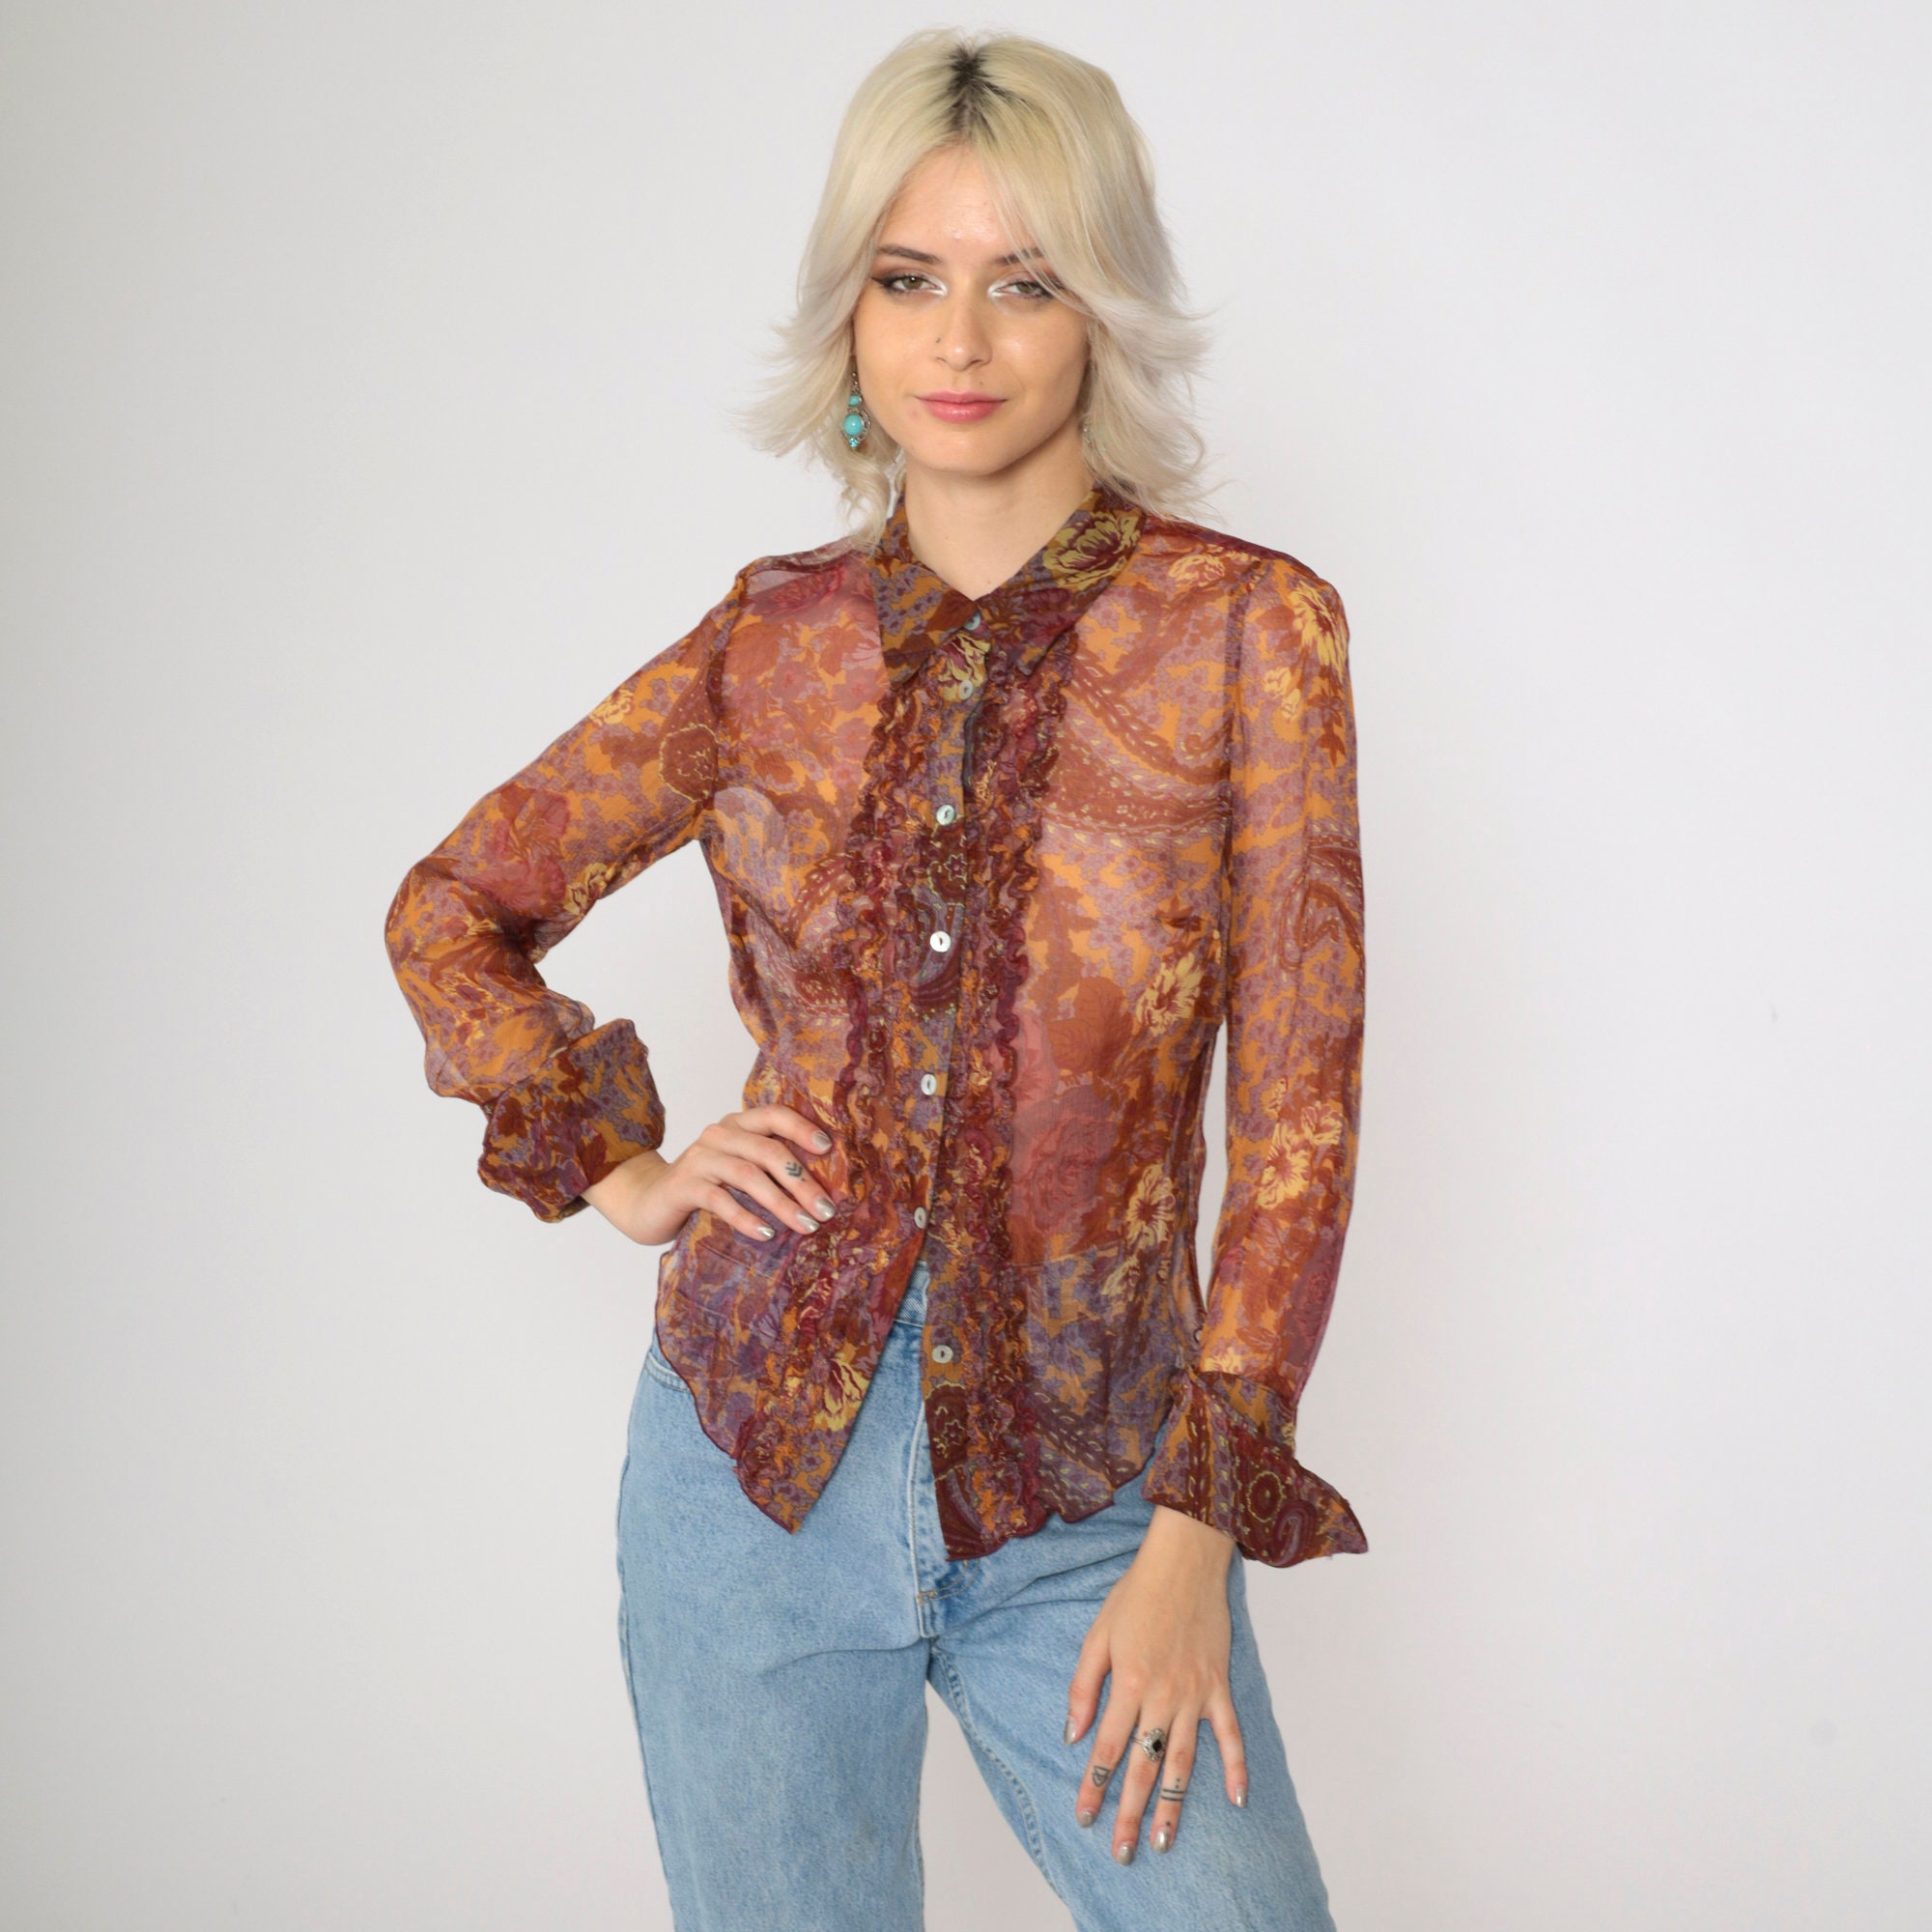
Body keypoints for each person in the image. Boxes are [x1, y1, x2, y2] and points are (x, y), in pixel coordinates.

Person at [384, 27, 1366, 1930]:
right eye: (910, 279)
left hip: (1100, 1496)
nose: (960, 339)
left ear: (1100, 312)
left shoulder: (1251, 632)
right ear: (849, 313)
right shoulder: (770, 644)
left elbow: (1300, 1119)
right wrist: (621, 1166)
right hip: (749, 1478)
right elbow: (452, 906)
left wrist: (1196, 1538)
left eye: (1025, 281)